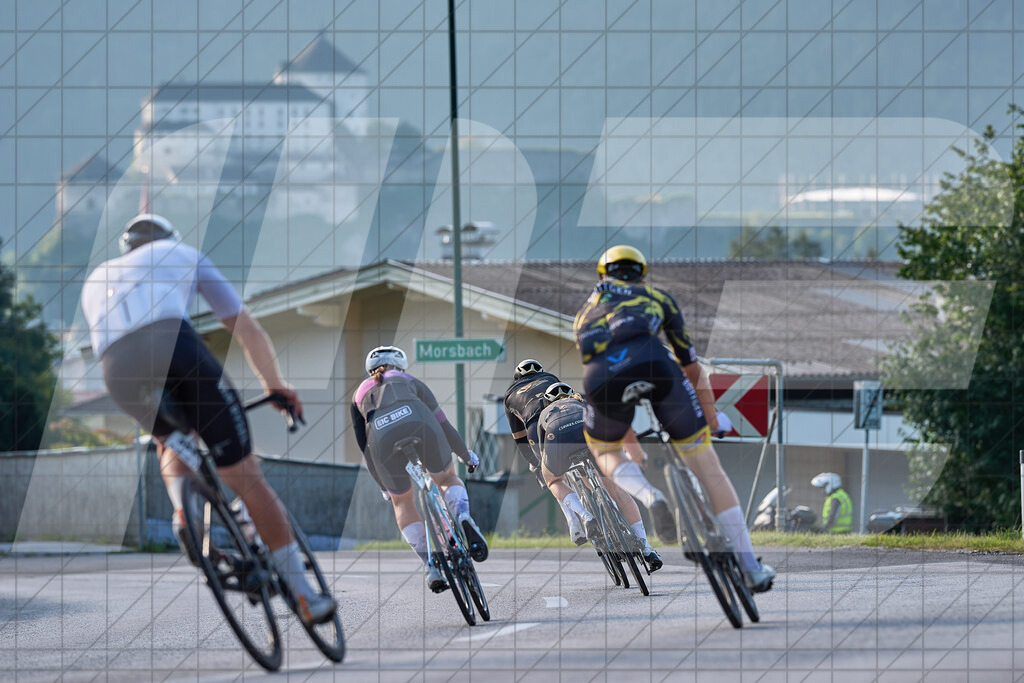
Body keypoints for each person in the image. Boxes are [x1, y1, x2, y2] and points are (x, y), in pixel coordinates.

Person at [80, 214, 336, 624]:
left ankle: (183, 513)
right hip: (174, 348)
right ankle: (305, 595)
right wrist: (276, 385)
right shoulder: (182, 253)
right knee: (246, 476)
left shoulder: (98, 276)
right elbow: (245, 329)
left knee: (170, 439)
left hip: (117, 371)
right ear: (168, 238)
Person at [572, 244, 776, 593]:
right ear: (642, 273)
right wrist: (711, 419)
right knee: (707, 465)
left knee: (604, 450)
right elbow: (691, 365)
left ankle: (651, 498)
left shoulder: (584, 315)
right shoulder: (657, 298)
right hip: (655, 363)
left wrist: (632, 448)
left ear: (602, 275)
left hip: (602, 378)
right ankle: (749, 565)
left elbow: (609, 383)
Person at [351, 345, 487, 592]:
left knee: (402, 502)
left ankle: (431, 563)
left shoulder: (358, 395)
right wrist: (465, 456)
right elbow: (443, 424)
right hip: (420, 425)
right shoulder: (409, 380)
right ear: (400, 366)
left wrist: (384, 486)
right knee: (446, 478)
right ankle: (463, 516)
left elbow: (365, 448)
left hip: (382, 441)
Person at [505, 359, 676, 544]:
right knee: (609, 477)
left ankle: (578, 521)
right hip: (584, 425)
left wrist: (535, 463)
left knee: (553, 479)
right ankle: (644, 543)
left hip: (542, 427)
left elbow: (520, 438)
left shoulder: (510, 395)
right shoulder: (552, 379)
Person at [537, 382, 663, 570]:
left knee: (552, 479)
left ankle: (585, 515)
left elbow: (542, 451)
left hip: (558, 437)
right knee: (618, 490)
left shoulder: (545, 413)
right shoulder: (581, 402)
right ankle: (646, 548)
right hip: (590, 435)